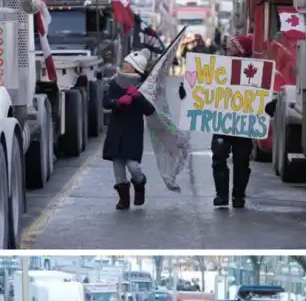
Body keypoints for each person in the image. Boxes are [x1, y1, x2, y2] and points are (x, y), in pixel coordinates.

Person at [176, 34, 269, 209]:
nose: (228, 46)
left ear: (241, 48)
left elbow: (262, 96)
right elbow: (202, 90)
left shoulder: (255, 69)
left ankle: (239, 196)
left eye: (233, 44)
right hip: (222, 123)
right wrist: (187, 91)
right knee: (219, 157)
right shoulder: (217, 68)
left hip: (243, 124)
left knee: (242, 160)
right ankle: (221, 195)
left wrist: (268, 104)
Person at [103, 49, 156, 211]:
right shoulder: (115, 82)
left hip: (133, 132)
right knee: (118, 168)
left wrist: (138, 97)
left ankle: (140, 185)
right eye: (124, 64)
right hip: (115, 131)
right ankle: (123, 200)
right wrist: (117, 102)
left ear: (134, 69)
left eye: (127, 65)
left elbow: (150, 110)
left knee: (133, 166)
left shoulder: (144, 87)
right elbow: (106, 102)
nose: (123, 66)